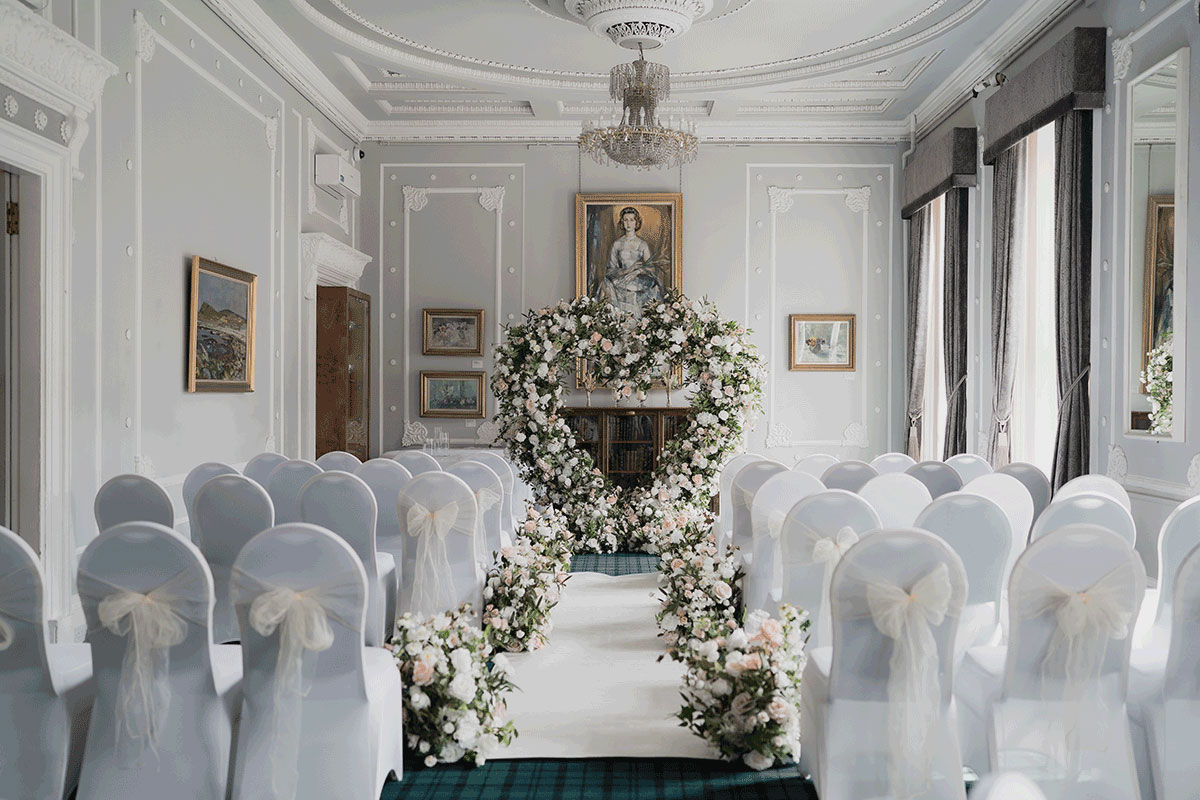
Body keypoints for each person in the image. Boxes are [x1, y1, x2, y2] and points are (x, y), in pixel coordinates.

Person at [600, 206, 665, 317]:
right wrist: (629, 270)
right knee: (606, 285)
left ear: (636, 222)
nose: (628, 223)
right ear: (622, 222)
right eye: (625, 220)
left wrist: (637, 271)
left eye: (631, 220)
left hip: (639, 280)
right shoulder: (617, 244)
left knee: (653, 289)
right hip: (622, 280)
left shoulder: (642, 244)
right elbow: (610, 271)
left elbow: (651, 268)